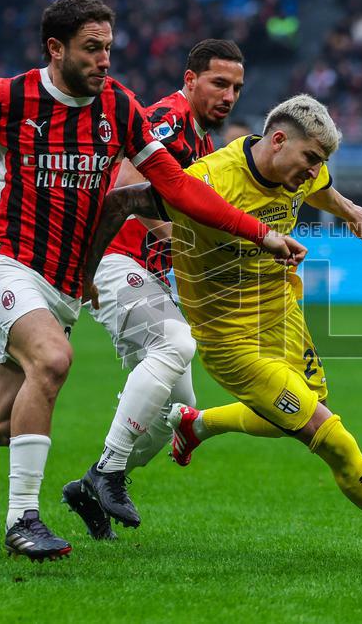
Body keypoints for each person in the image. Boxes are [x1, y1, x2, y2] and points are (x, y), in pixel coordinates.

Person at [0, 0, 304, 562]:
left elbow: (180, 188)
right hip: (2, 261)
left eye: (109, 49)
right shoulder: (8, 96)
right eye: (92, 49)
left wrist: (258, 232)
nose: (104, 61)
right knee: (53, 361)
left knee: (0, 422)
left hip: (66, 285)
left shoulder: (118, 106)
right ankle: (23, 519)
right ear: (57, 48)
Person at [158, 94, 362, 570]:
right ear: (279, 140)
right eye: (310, 158)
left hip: (281, 313)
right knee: (331, 437)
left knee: (300, 409)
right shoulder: (211, 179)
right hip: (231, 341)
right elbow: (133, 196)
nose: (312, 171)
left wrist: (353, 212)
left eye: (320, 162)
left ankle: (196, 424)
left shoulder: (301, 168)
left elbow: (322, 189)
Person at [60, 39, 246, 538]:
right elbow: (123, 187)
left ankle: (87, 485)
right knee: (177, 344)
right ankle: (109, 471)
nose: (229, 96)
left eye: (236, 88)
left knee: (173, 416)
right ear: (190, 80)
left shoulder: (205, 146)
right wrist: (182, 238)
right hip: (112, 258)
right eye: (218, 83)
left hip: (149, 272)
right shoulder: (167, 117)